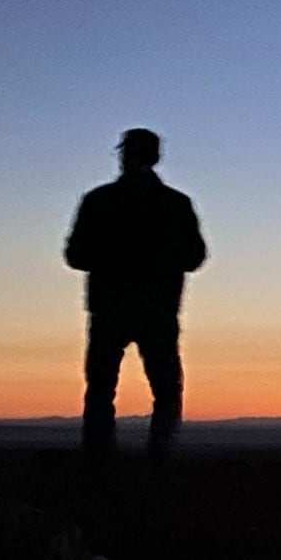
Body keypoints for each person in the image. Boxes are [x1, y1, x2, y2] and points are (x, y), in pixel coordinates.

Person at [65, 129, 207, 461]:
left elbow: (75, 256)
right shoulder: (175, 204)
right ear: (155, 157)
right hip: (155, 310)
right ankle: (160, 460)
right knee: (165, 391)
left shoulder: (99, 201)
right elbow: (195, 257)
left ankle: (99, 462)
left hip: (111, 308)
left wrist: (112, 257)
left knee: (102, 389)